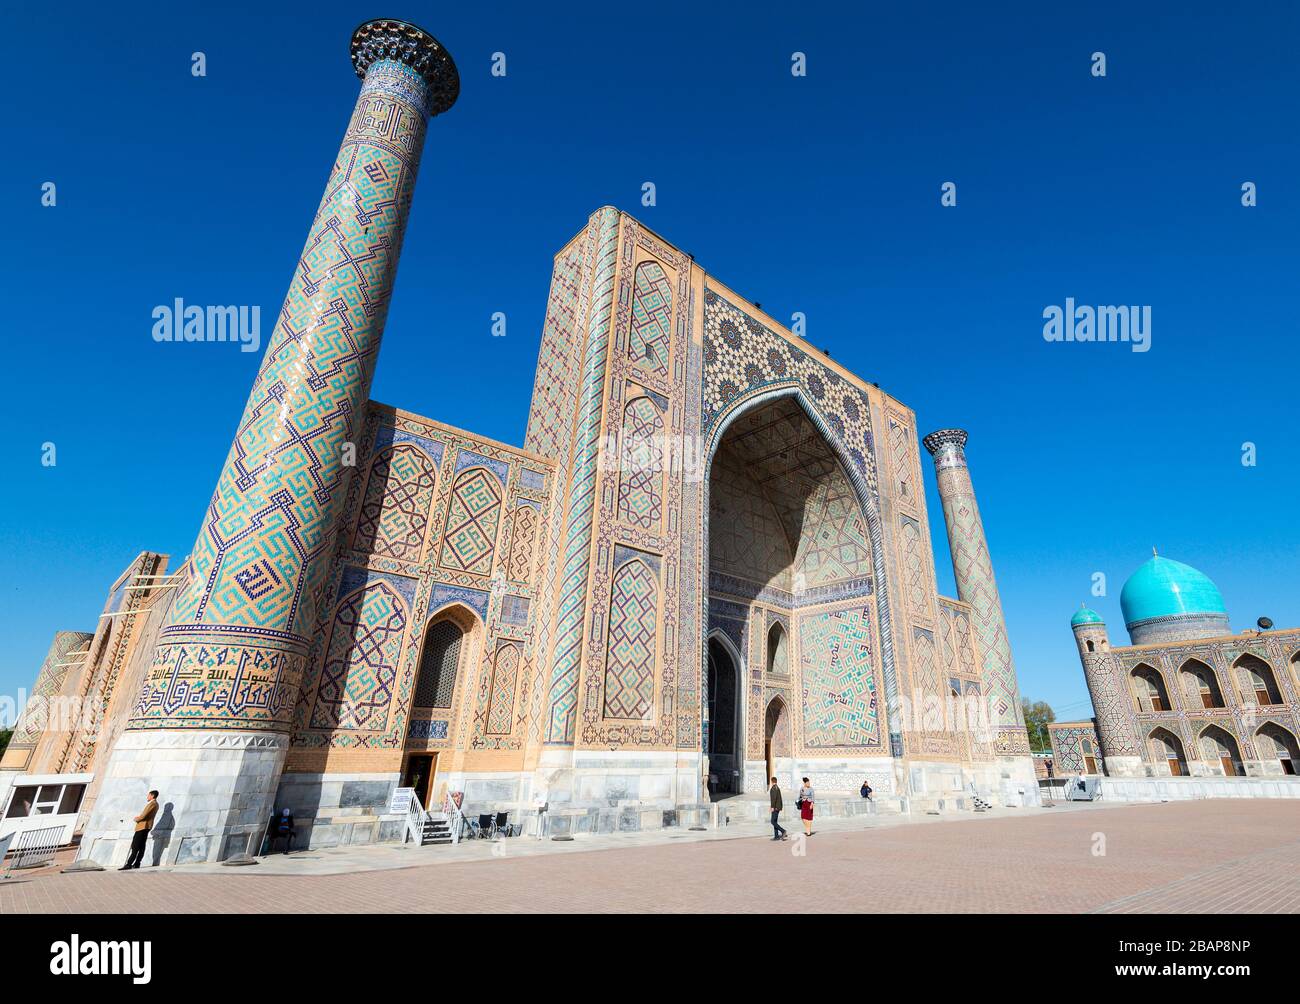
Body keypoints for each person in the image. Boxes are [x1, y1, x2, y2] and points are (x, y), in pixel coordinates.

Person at [120, 789, 158, 870]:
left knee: (135, 845)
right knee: (141, 846)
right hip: (146, 826)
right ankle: (137, 863)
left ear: (152, 796)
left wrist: (137, 818)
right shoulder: (155, 804)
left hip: (143, 826)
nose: (147, 797)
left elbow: (144, 815)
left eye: (148, 795)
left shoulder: (152, 803)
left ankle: (129, 864)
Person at [768, 777, 787, 841]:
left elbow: (774, 799)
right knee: (775, 821)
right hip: (777, 807)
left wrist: (772, 807)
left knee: (772, 821)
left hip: (775, 807)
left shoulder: (774, 788)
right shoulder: (777, 787)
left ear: (771, 781)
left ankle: (783, 831)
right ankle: (776, 836)